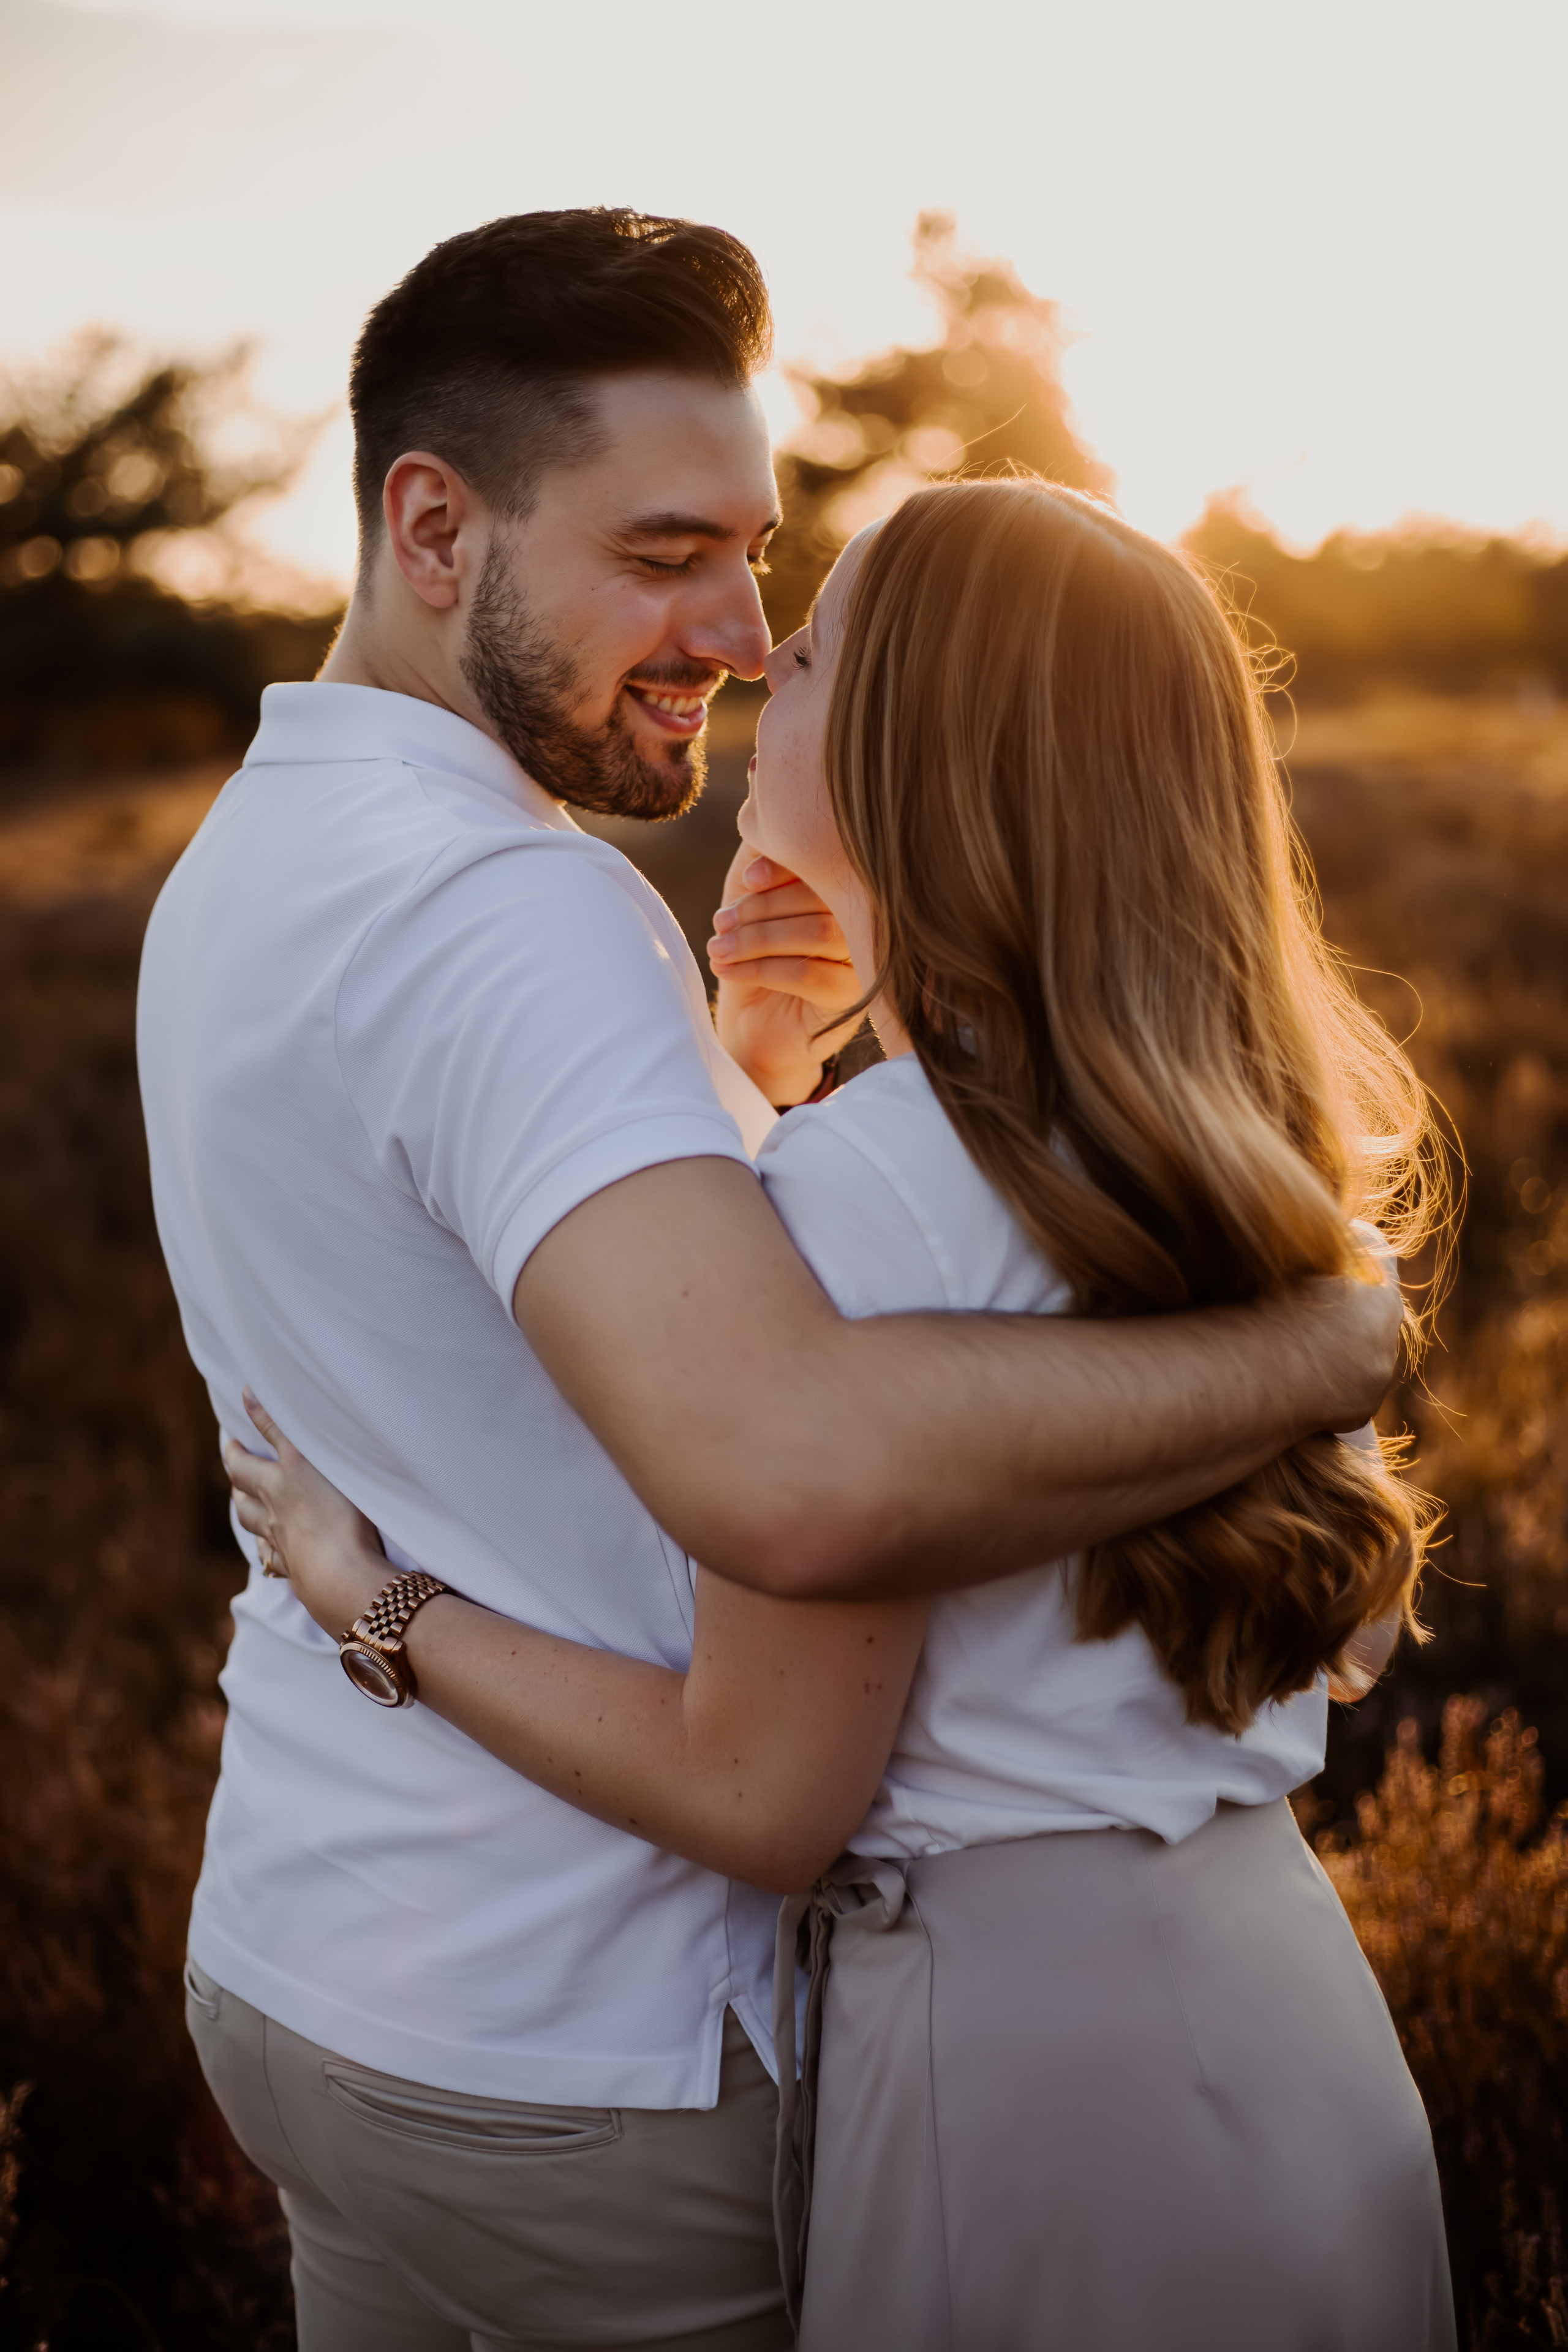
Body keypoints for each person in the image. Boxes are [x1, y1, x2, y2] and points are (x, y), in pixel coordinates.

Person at [141, 208, 1406, 2352]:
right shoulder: (523, 923)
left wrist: (738, 1086)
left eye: (766, 568)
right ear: (433, 526)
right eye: (665, 553)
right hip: (582, 2039)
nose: (738, 628)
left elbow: (549, 1312)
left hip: (311, 1957)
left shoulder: (248, 855)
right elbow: (796, 1469)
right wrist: (1324, 1334)